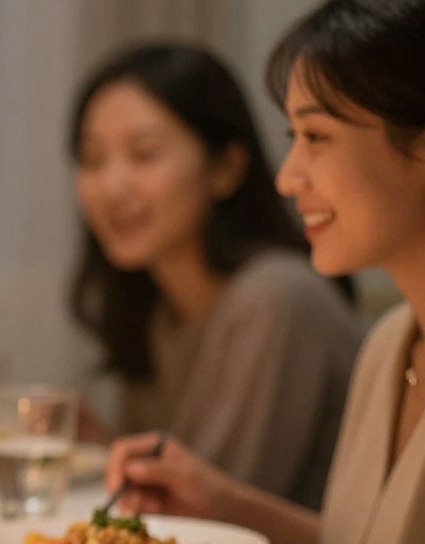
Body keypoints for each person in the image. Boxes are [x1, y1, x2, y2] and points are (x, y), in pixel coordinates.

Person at [105, 0, 425, 544]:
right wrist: (226, 502)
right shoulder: (389, 345)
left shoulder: (280, 299)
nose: (288, 177)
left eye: (316, 137)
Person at [70, 44, 360, 510]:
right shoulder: (157, 309)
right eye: (92, 159)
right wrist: (102, 446)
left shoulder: (276, 297)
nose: (111, 186)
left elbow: (207, 511)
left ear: (225, 167)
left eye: (143, 155)